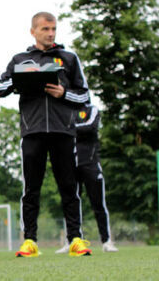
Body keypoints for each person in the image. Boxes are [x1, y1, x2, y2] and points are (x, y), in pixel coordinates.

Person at [0, 12, 91, 257]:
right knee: (31, 189)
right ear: (33, 31)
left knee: (69, 187)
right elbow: (1, 86)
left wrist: (63, 93)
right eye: (45, 29)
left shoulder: (68, 58)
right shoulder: (21, 59)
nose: (50, 33)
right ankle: (30, 241)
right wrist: (15, 82)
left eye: (54, 29)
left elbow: (84, 96)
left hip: (64, 132)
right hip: (32, 131)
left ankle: (76, 239)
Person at [55, 103, 119, 254]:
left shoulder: (91, 109)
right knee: (71, 203)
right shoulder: (65, 109)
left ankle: (106, 241)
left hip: (90, 163)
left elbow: (90, 127)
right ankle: (71, 240)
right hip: (70, 165)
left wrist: (69, 128)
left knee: (98, 204)